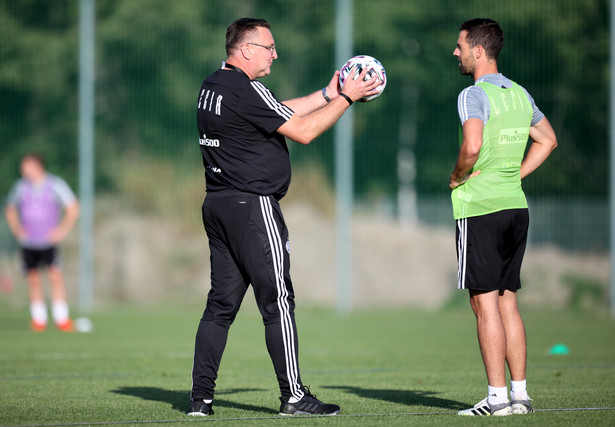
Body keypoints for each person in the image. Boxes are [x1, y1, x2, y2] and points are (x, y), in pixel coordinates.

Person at [189, 18, 381, 417]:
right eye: (268, 47)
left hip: (218, 204)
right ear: (245, 50)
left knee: (220, 308)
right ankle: (293, 397)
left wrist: (328, 93)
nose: (274, 53)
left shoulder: (214, 86)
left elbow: (277, 112)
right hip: (253, 206)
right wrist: (346, 98)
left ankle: (200, 402)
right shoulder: (247, 88)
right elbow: (305, 132)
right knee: (277, 301)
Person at [449, 19, 557, 416]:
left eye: (460, 46)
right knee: (507, 301)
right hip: (515, 206)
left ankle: (495, 399)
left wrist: (457, 176)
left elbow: (472, 145)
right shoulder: (520, 93)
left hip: (480, 207)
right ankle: (520, 397)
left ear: (478, 50)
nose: (456, 52)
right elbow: (548, 140)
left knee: (484, 304)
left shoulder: (472, 94)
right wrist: (516, 175)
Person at [4, 153, 80, 332]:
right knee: (33, 278)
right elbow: (10, 208)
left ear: (38, 166)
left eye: (26, 166)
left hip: (48, 242)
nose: (23, 170)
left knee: (55, 276)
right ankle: (39, 319)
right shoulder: (21, 187)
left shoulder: (55, 185)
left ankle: (61, 318)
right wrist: (17, 229)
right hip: (29, 242)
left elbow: (73, 207)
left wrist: (62, 230)